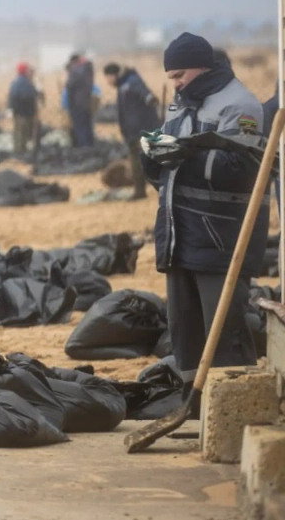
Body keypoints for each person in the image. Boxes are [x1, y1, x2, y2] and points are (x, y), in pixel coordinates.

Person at [139, 32, 263, 390]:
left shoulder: (239, 105)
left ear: (203, 67)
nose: (175, 83)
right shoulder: (180, 104)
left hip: (221, 240)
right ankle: (194, 405)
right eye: (171, 77)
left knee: (224, 333)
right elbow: (168, 174)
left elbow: (243, 168)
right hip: (179, 236)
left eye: (180, 75)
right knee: (185, 333)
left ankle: (234, 403)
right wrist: (152, 157)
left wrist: (186, 155)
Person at [103, 62, 161, 200]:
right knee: (135, 162)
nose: (108, 82)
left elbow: (144, 92)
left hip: (144, 129)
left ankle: (164, 189)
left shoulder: (131, 82)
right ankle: (139, 191)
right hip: (131, 132)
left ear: (113, 75)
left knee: (151, 160)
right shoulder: (122, 86)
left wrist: (150, 98)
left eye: (107, 78)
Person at [8, 62, 39, 156]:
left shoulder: (18, 82)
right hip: (24, 113)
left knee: (19, 133)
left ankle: (19, 151)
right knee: (22, 134)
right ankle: (20, 153)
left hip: (20, 112)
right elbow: (29, 95)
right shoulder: (24, 83)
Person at [65, 54, 96, 147]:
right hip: (87, 103)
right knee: (87, 126)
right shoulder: (88, 70)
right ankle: (90, 146)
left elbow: (70, 87)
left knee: (80, 127)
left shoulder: (75, 72)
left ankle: (84, 147)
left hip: (77, 104)